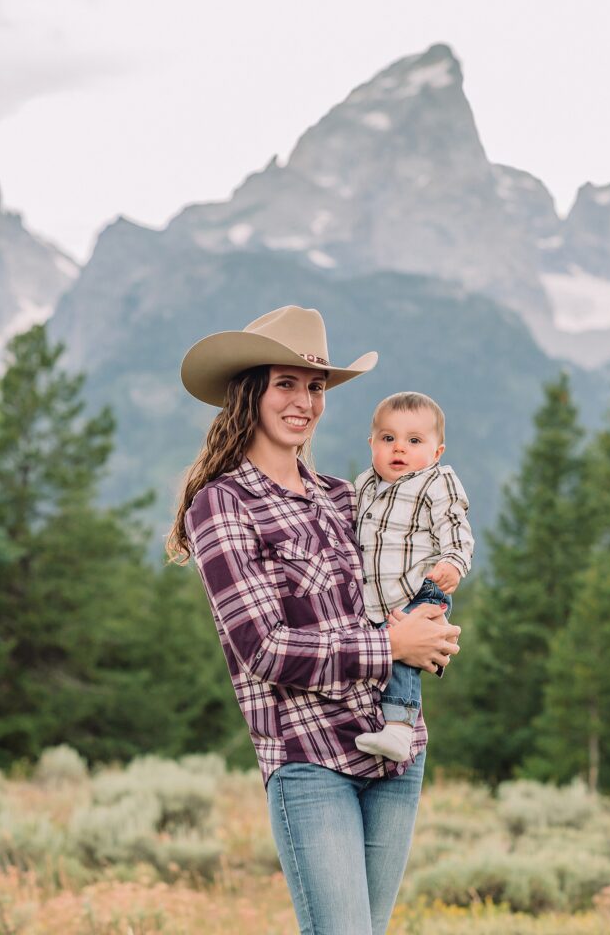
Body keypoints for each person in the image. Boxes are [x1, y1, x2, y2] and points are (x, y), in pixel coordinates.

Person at [166, 305, 461, 935]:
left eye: (316, 387)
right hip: (308, 757)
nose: (305, 401)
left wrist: (428, 630)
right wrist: (390, 644)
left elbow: (394, 583)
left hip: (394, 752)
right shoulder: (222, 504)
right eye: (286, 384)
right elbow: (263, 648)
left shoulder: (342, 495)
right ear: (249, 392)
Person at [354, 392, 474, 763]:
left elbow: (455, 526)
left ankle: (400, 729)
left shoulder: (436, 481)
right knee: (386, 654)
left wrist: (453, 562)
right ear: (372, 444)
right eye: (388, 439)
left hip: (421, 585)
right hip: (378, 597)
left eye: (414, 441)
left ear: (437, 452)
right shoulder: (364, 486)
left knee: (404, 655)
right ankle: (383, 722)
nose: (399, 449)